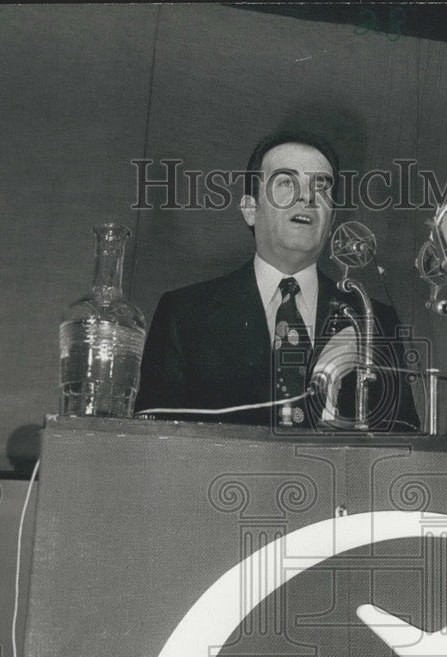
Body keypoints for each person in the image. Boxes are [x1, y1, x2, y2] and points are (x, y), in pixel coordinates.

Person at [135, 130, 420, 432]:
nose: (307, 196)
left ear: (332, 218)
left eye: (320, 186)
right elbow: (153, 444)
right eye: (286, 182)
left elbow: (403, 442)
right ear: (249, 210)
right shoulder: (184, 314)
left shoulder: (375, 321)